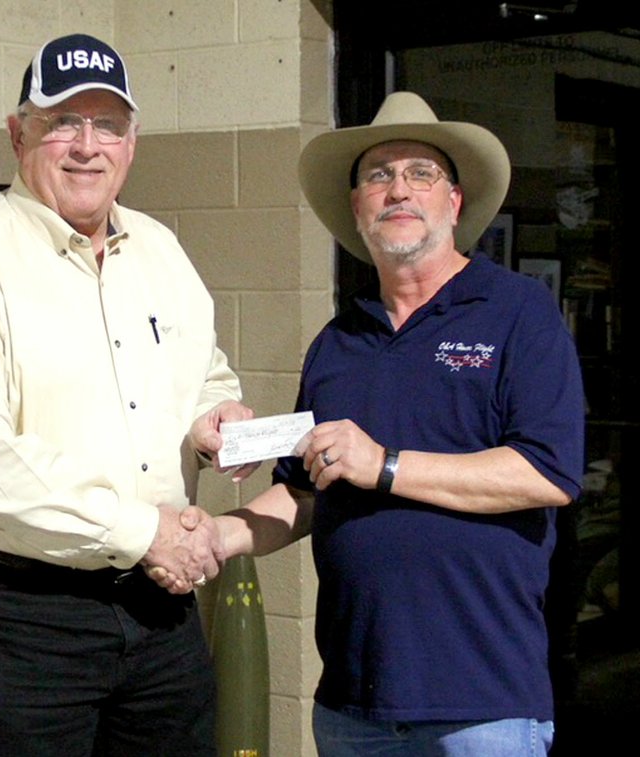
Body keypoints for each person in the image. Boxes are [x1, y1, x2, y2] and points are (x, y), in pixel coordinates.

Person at [161, 92, 586, 755]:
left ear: (455, 201)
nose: (398, 190)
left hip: (482, 706)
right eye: (378, 176)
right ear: (356, 210)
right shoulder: (339, 341)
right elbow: (304, 493)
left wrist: (385, 464)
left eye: (421, 173)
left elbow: (546, 472)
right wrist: (216, 535)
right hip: (354, 706)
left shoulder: (518, 314)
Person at [0, 33, 253, 757]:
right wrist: (147, 532)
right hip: (9, 619)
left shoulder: (161, 249)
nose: (87, 146)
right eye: (62, 121)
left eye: (108, 125)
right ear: (16, 134)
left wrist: (213, 415)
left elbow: (202, 369)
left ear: (132, 141)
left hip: (158, 614)